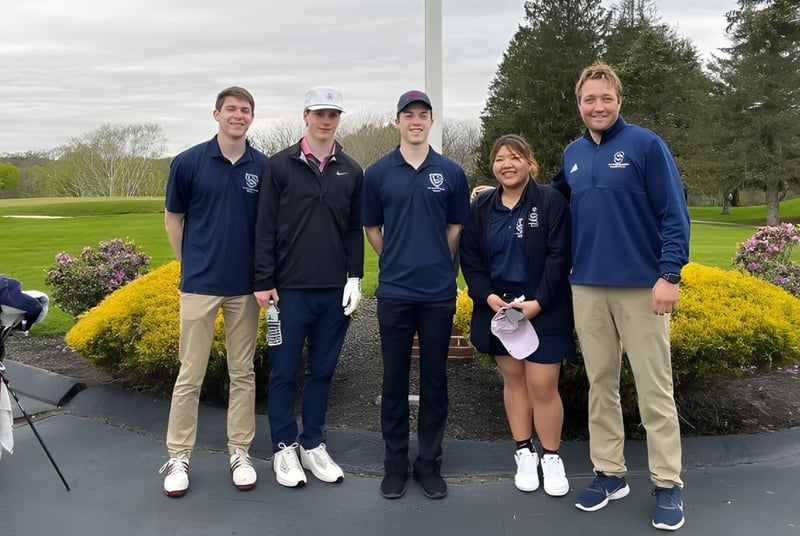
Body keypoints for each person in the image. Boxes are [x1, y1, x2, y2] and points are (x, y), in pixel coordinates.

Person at [552, 62, 690, 531]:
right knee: (601, 386)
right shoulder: (572, 153)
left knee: (655, 389)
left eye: (605, 98)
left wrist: (669, 274)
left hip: (641, 286)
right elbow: (553, 198)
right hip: (587, 286)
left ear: (619, 100)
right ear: (579, 104)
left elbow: (674, 212)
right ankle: (610, 474)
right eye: (589, 99)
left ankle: (668, 482)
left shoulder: (646, 145)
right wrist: (501, 191)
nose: (598, 106)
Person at [253, 86, 364, 488]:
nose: (326, 121)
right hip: (288, 292)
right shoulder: (279, 165)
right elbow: (263, 227)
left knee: (322, 371)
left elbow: (354, 228)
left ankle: (312, 443)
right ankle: (284, 447)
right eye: (319, 113)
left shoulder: (351, 169)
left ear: (338, 119)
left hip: (333, 292)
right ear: (306, 116)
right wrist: (263, 280)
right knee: (284, 372)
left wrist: (355, 276)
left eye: (333, 114)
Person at [362, 90, 470, 500]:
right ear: (397, 122)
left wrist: (437, 261)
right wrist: (395, 257)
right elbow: (372, 228)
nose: (416, 121)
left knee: (435, 380)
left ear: (430, 122)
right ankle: (395, 465)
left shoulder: (450, 172)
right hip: (394, 292)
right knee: (393, 379)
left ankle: (428, 464)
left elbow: (456, 227)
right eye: (408, 115)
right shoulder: (377, 173)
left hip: (438, 293)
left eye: (423, 115)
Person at [160, 86, 267, 498]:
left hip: (245, 289)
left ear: (252, 118)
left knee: (243, 373)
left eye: (245, 110)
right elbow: (174, 219)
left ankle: (239, 452)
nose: (238, 116)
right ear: (216, 114)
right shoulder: (188, 163)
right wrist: (189, 265)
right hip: (200, 285)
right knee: (191, 374)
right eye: (231, 109)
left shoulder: (262, 166)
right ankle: (178, 456)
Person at [459, 134, 574, 497]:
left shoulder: (551, 201)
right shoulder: (481, 207)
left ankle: (551, 457)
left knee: (543, 386)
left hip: (544, 308)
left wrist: (538, 301)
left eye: (515, 157)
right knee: (515, 383)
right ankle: (523, 451)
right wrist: (489, 297)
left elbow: (559, 257)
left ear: (530, 162)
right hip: (502, 310)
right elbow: (472, 260)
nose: (507, 164)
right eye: (500, 159)